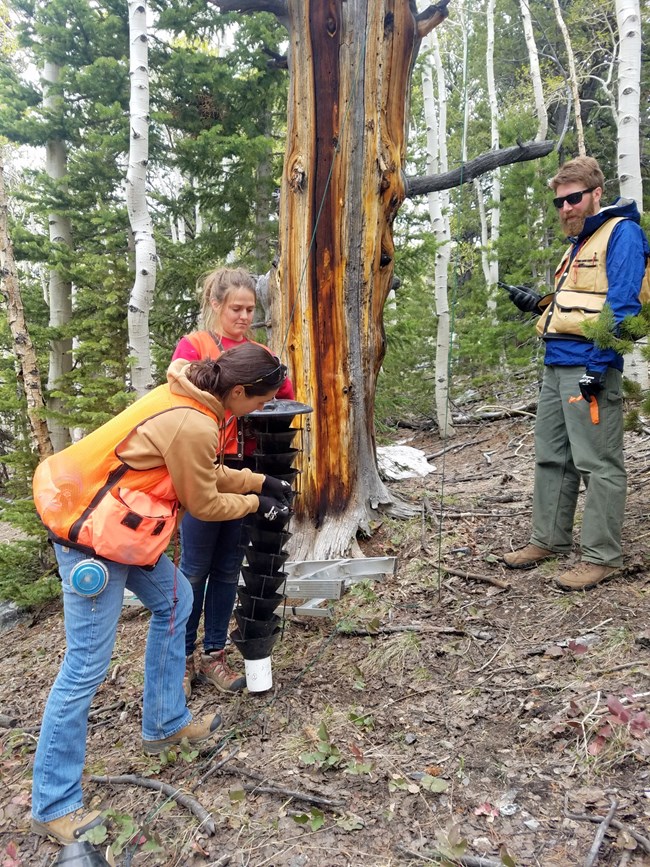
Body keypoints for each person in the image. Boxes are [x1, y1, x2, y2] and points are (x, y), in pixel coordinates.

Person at [30, 345, 292, 844]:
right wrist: (257, 503)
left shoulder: (191, 403)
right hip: (91, 539)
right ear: (237, 392)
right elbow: (204, 501)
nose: (258, 411)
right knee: (85, 666)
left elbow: (203, 473)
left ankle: (165, 722)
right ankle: (53, 803)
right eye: (258, 402)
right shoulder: (193, 421)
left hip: (125, 536)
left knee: (175, 601)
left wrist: (261, 480)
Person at [502, 155, 649, 591]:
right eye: (559, 202)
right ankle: (548, 539)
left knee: (597, 461)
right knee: (552, 457)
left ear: (596, 193)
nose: (566, 208)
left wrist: (598, 368)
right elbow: (580, 303)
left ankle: (603, 556)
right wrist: (539, 304)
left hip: (589, 364)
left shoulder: (621, 234)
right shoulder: (579, 244)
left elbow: (622, 306)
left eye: (573, 198)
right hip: (556, 362)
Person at [172, 267, 295, 698]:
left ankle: (213, 655)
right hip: (203, 461)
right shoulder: (196, 346)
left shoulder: (259, 349)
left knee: (228, 568)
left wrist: (273, 377)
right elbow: (181, 391)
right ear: (216, 306)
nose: (244, 316)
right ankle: (180, 658)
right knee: (193, 569)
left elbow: (285, 389)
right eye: (236, 309)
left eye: (250, 309)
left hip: (248, 464)